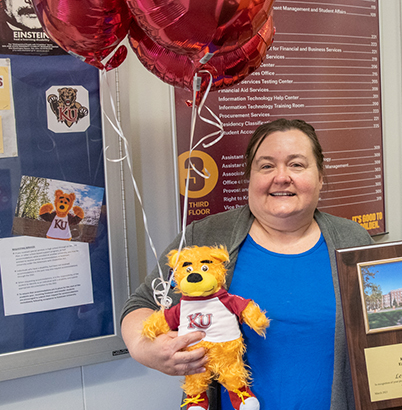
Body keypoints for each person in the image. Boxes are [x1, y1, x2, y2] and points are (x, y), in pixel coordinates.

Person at [122, 118, 373, 410]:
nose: (281, 177)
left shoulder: (353, 240)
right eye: (266, 166)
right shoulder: (205, 238)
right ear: (250, 178)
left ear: (319, 177)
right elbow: (140, 304)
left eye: (297, 165)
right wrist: (145, 349)